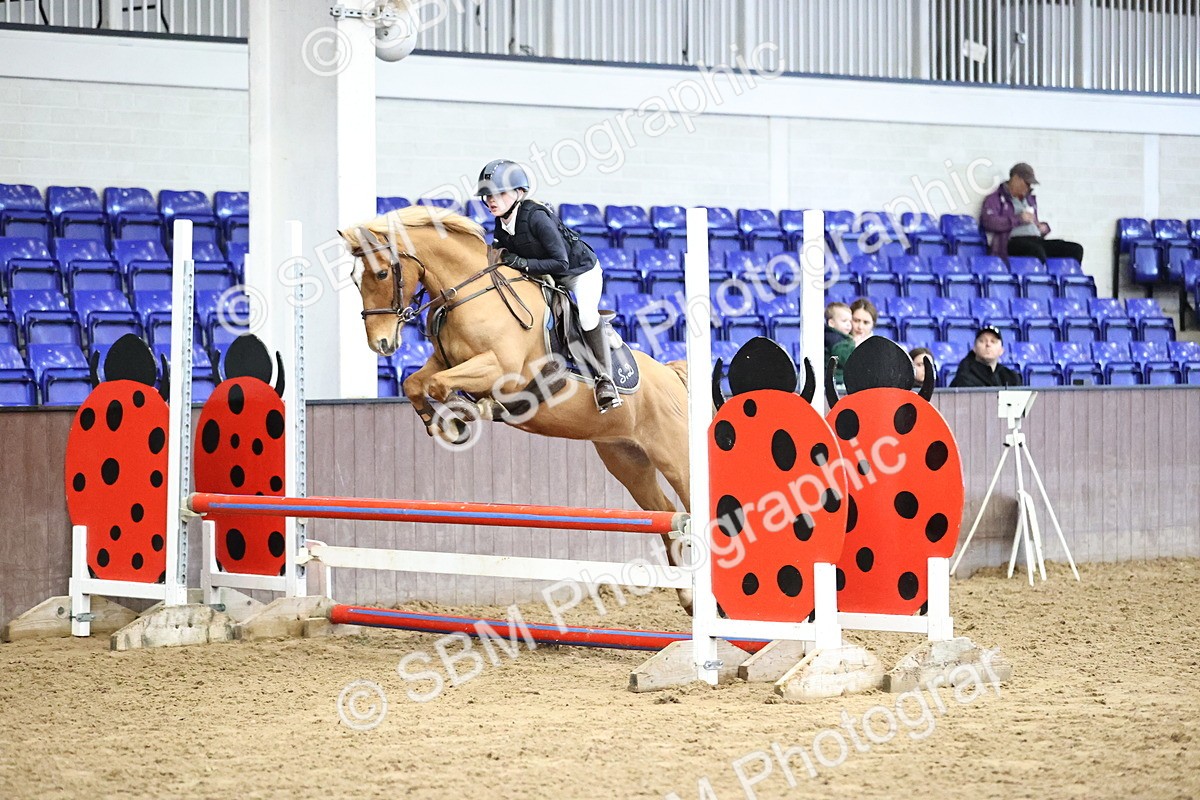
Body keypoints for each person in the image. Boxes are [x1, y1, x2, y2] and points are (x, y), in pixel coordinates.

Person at [478, 159, 620, 413]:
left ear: (519, 192)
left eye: (499, 193)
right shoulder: (502, 221)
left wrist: (520, 262)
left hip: (578, 272)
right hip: (546, 274)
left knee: (586, 316)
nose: (491, 200)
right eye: (488, 195)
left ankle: (604, 379)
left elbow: (560, 263)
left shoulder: (537, 218)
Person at [981, 163, 1084, 264]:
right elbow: (989, 222)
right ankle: (1041, 280)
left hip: (1035, 240)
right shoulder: (996, 198)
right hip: (1012, 242)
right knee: (1036, 252)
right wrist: (1018, 219)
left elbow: (1033, 222)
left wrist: (1042, 228)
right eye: (1027, 183)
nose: (1029, 187)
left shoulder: (1029, 200)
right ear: (1016, 179)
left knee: (1075, 250)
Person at [950, 326, 1022, 388]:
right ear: (974, 348)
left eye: (993, 341)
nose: (988, 344)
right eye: (982, 341)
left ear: (1002, 350)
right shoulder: (964, 375)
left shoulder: (1011, 377)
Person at [824, 301, 855, 382]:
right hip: (837, 380)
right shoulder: (834, 339)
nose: (848, 324)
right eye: (844, 321)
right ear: (831, 323)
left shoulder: (841, 338)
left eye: (850, 321)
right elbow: (845, 359)